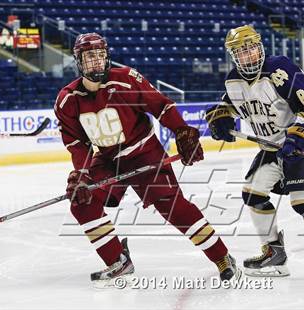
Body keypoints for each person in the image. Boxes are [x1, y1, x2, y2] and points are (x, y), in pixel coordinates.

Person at [54, 33, 240, 288]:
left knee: (174, 207)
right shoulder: (67, 100)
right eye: (89, 57)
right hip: (108, 159)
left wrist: (182, 132)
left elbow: (161, 106)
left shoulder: (126, 80)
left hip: (144, 153)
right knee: (82, 203)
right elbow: (77, 143)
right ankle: (117, 260)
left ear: (107, 57)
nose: (96, 62)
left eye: (100, 55)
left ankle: (222, 257)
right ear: (78, 61)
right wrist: (83, 173)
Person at [205, 25, 304, 281]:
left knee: (303, 200)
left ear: (260, 47)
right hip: (273, 143)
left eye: (252, 48)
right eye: (241, 52)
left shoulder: (280, 69)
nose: (249, 56)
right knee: (252, 193)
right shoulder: (233, 80)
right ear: (234, 56)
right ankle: (274, 253)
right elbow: (227, 106)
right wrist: (220, 118)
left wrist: (297, 136)